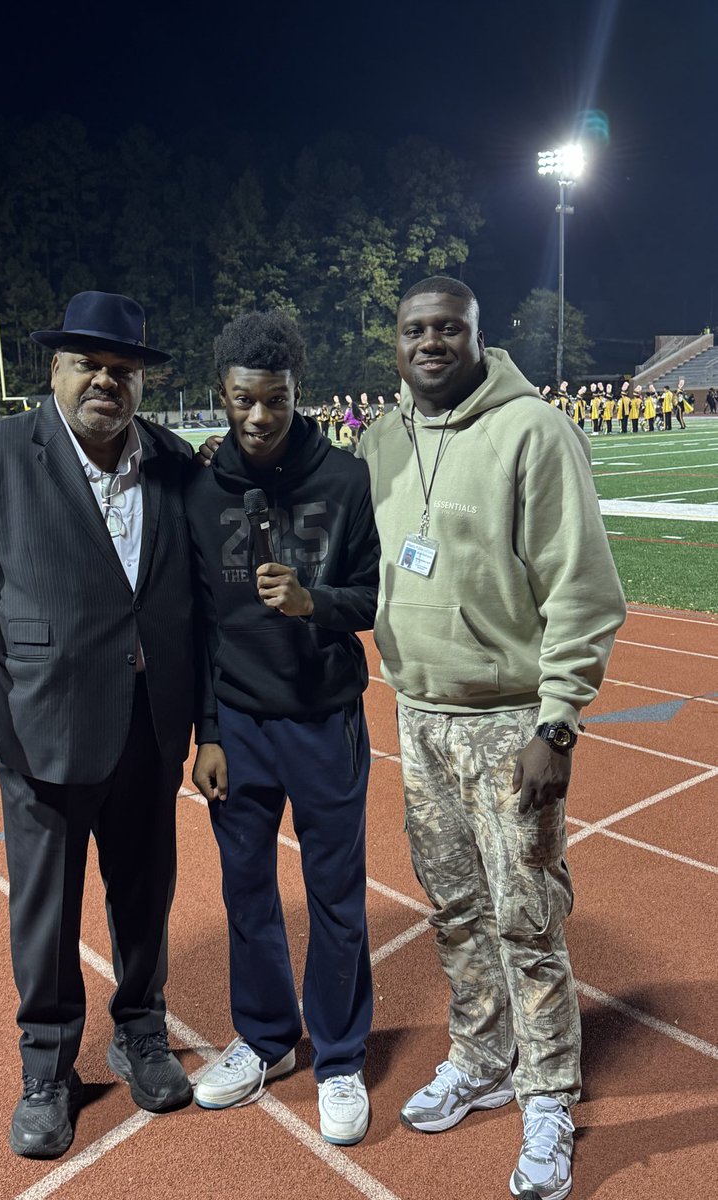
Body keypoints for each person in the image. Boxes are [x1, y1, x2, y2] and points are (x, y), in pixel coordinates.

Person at [356, 276, 626, 1200]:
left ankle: (548, 1091)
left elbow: (584, 590)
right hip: (419, 718)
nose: (430, 343)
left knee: (527, 916)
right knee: (457, 910)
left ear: (478, 337)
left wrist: (558, 723)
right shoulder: (379, 440)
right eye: (413, 330)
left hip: (512, 721)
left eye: (448, 329)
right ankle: (481, 1054)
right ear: (393, 343)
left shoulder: (534, 431)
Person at [0, 291, 196, 1159]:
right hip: (40, 726)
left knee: (144, 896)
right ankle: (46, 1067)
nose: (106, 381)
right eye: (88, 365)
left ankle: (140, 1031)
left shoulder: (179, 466)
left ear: (142, 381)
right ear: (54, 370)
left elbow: (199, 607)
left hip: (150, 726)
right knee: (45, 910)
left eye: (123, 369)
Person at [187, 310, 378, 1146]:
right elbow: (195, 623)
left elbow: (373, 597)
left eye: (275, 399)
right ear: (221, 396)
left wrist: (316, 604)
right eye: (242, 401)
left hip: (324, 717)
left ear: (298, 393)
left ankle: (337, 1057)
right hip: (240, 726)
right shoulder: (200, 487)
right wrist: (209, 732)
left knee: (336, 896)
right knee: (246, 892)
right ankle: (266, 1039)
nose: (258, 417)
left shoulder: (345, 478)